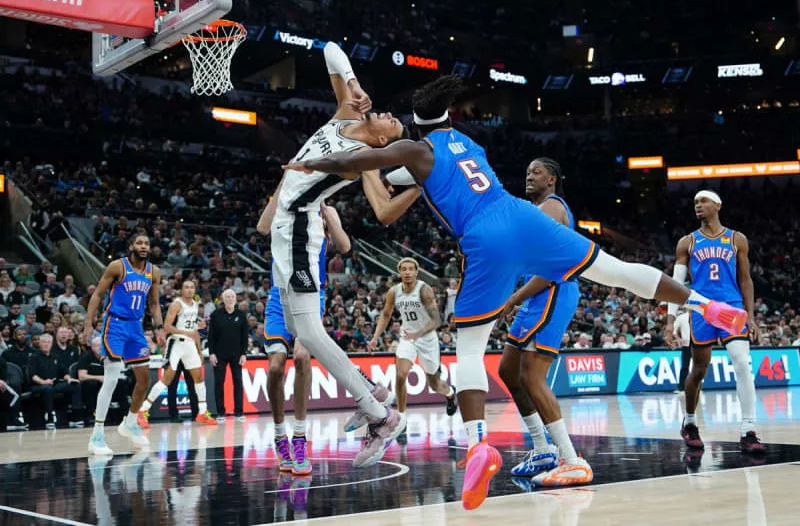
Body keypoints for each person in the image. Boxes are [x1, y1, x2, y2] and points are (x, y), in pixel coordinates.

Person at [283, 74, 749, 509]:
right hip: (519, 216)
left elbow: (361, 164)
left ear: (417, 123)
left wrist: (313, 163)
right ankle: (706, 304)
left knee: (470, 349)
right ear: (449, 118)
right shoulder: (469, 143)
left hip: (485, 237)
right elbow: (407, 175)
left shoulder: (416, 150)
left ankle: (478, 445)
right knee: (615, 270)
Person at [268, 41, 409, 469]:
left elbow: (379, 206)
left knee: (309, 335)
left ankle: (380, 414)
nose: (387, 113)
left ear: (381, 139)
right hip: (283, 228)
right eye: (389, 112)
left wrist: (415, 185)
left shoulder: (362, 157)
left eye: (392, 122)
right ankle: (374, 392)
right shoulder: (347, 114)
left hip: (299, 229)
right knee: (296, 324)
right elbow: (330, 48)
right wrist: (353, 82)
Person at [496, 157, 589, 485]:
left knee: (532, 377)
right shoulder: (537, 210)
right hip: (537, 294)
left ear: (552, 179)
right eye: (527, 171)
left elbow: (550, 269)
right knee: (508, 371)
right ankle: (542, 448)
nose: (529, 176)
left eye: (536, 172)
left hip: (553, 291)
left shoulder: (552, 206)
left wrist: (512, 299)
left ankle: (571, 459)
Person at [256, 197, 355, 476]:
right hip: (280, 296)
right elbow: (262, 227)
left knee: (301, 357)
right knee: (276, 367)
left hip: (312, 295)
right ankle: (280, 436)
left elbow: (345, 246)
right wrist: (281, 189)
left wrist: (326, 212)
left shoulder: (325, 210)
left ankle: (299, 438)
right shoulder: (284, 206)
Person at [664, 190, 765, 453]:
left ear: (718, 205)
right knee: (699, 370)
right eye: (695, 202)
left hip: (731, 307)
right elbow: (676, 284)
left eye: (703, 201)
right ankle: (689, 422)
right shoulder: (687, 242)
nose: (698, 205)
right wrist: (670, 320)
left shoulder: (737, 239)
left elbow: (745, 279)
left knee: (742, 363)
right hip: (700, 308)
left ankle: (749, 430)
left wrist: (751, 315)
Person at [83, 234, 164, 455]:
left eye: (147, 243)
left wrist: (159, 328)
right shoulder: (118, 266)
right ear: (131, 246)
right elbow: (97, 295)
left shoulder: (154, 272)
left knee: (144, 380)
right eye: (139, 243)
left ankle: (129, 423)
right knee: (112, 376)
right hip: (115, 324)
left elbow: (154, 304)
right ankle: (97, 436)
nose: (144, 246)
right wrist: (88, 323)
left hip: (136, 326)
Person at [368, 257, 456, 442]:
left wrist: (418, 333)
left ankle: (450, 393)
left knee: (435, 384)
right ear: (399, 272)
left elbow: (437, 320)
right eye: (404, 269)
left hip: (427, 339)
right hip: (407, 338)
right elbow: (386, 315)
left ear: (416, 272)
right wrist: (375, 338)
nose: (407, 272)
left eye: (410, 269)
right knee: (401, 375)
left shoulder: (424, 290)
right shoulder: (394, 292)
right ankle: (401, 419)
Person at [137, 280, 216, 428]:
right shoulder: (177, 304)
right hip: (176, 343)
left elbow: (194, 331)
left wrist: (198, 350)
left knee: (199, 378)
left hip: (190, 345)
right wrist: (185, 332)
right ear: (182, 290)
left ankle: (202, 412)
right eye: (186, 287)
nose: (189, 289)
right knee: (167, 379)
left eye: (192, 287)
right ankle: (143, 410)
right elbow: (167, 326)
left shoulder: (195, 305)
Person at [28, 333, 83, 428]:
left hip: (54, 384)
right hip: (38, 385)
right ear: (39, 344)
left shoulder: (55, 356)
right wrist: (43, 382)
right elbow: (32, 375)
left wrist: (69, 379)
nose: (46, 344)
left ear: (51, 344)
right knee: (48, 388)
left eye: (48, 342)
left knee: (75, 385)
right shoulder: (33, 357)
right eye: (44, 342)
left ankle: (76, 416)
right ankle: (50, 417)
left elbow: (63, 372)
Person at [208, 289, 247, 420]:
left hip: (237, 355)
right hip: (219, 354)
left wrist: (244, 353)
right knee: (219, 382)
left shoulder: (241, 315)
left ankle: (239, 412)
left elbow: (244, 336)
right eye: (227, 297)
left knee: (238, 382)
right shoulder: (216, 315)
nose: (230, 299)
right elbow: (211, 336)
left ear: (235, 299)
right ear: (223, 299)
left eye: (232, 297)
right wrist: (212, 353)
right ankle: (220, 412)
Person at [78, 336, 128, 424]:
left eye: (102, 346)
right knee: (90, 384)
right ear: (92, 347)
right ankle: (93, 414)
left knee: (121, 382)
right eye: (97, 346)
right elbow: (81, 376)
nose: (100, 348)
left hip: (109, 380)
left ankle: (124, 414)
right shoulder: (86, 357)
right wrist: (99, 378)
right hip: (94, 382)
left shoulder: (111, 356)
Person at [673, 310, 691, 394]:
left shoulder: (699, 316)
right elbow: (674, 330)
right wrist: (679, 339)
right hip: (687, 344)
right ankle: (681, 387)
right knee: (685, 366)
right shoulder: (681, 317)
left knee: (698, 367)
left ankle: (696, 387)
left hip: (698, 344)